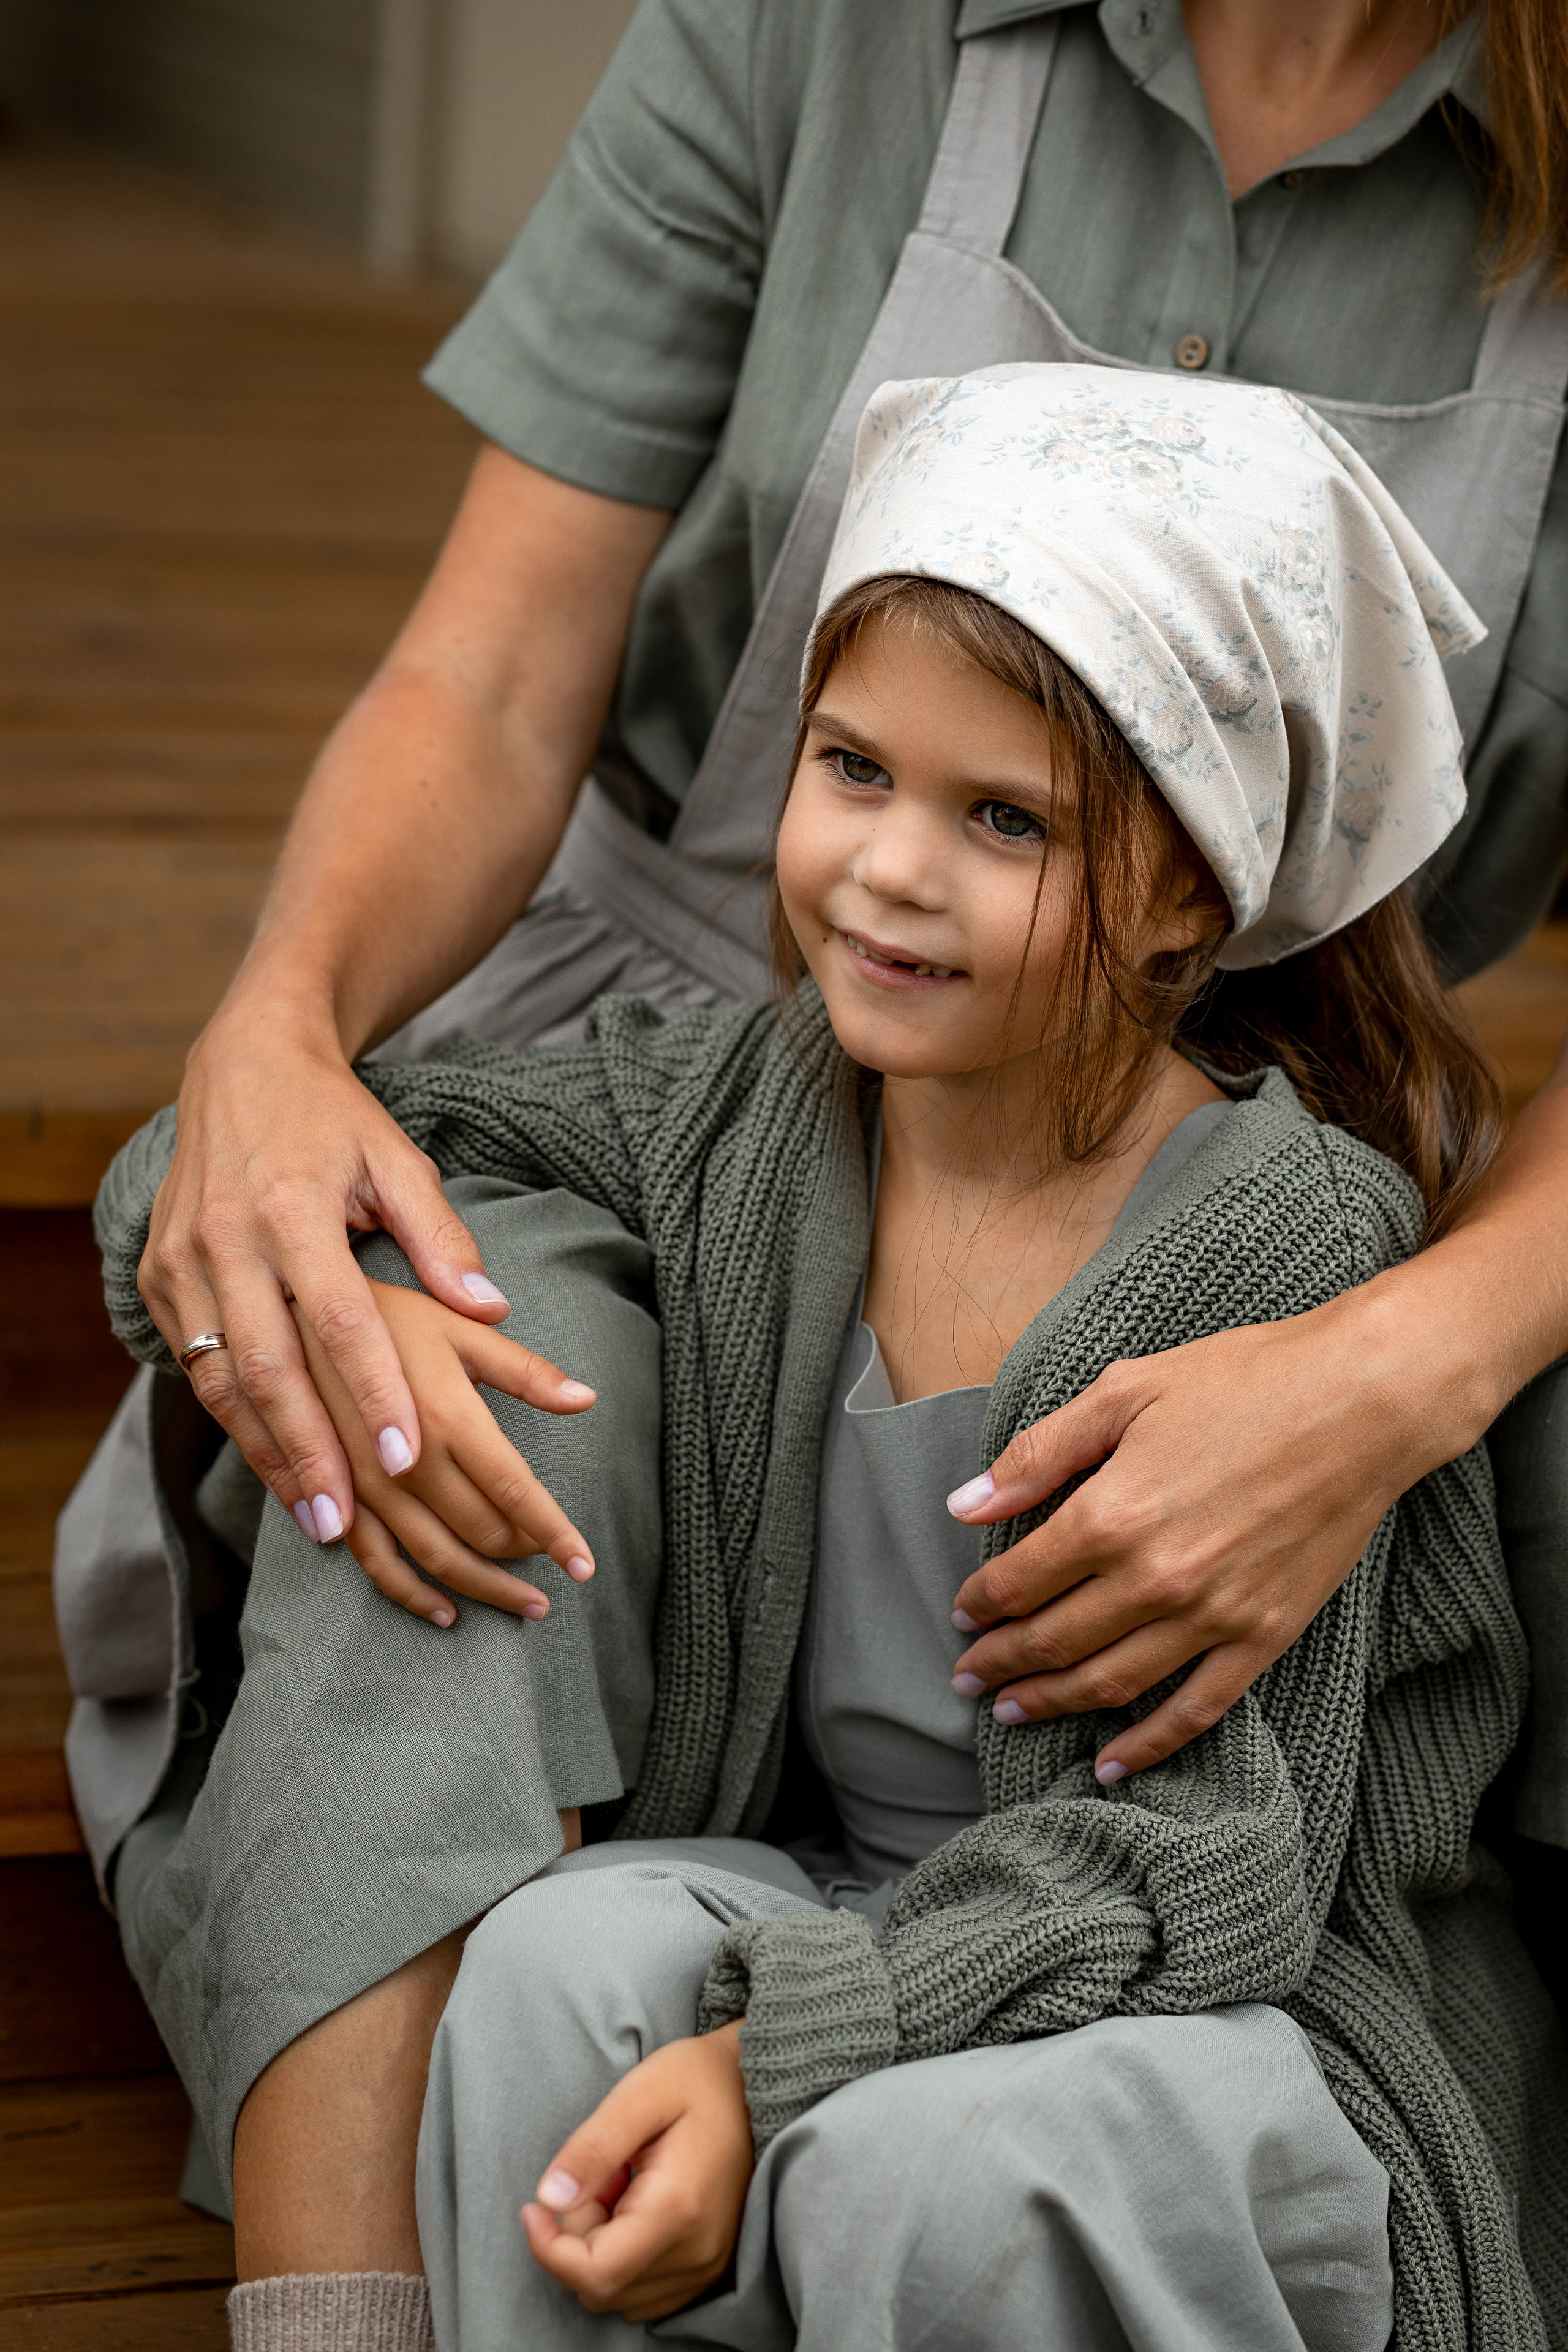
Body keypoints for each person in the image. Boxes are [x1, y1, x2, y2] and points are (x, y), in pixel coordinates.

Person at [53, 0, 1568, 2313]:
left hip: (1134, 1924)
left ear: (1185, 885)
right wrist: (251, 1134)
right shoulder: (760, 1117)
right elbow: (455, 822)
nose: (880, 868)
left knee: (937, 2165)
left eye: (1000, 817)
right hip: (693, 1087)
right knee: (461, 1391)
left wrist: (1403, 1362)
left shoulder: (1264, 1233)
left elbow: (1199, 1866)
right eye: (853, 773)